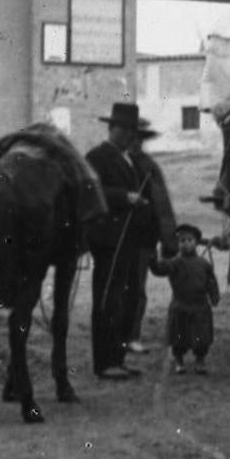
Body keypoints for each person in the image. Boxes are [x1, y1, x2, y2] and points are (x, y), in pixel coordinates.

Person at [85, 102, 152, 380]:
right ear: (111, 128)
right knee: (107, 299)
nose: (127, 136)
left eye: (131, 131)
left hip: (128, 240)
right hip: (108, 239)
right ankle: (104, 362)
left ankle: (118, 358)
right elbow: (91, 189)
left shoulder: (127, 160)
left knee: (125, 300)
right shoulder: (97, 157)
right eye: (122, 129)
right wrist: (124, 198)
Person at [126, 119, 177, 354]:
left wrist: (168, 241)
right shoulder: (116, 163)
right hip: (116, 238)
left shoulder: (149, 167)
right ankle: (114, 335)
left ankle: (132, 336)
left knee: (137, 289)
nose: (135, 142)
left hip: (143, 238)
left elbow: (162, 204)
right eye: (131, 137)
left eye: (139, 138)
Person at [150, 223, 220, 375]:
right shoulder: (174, 263)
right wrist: (153, 258)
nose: (186, 244)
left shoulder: (204, 264)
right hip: (180, 305)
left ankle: (200, 360)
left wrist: (214, 296)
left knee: (202, 338)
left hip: (200, 306)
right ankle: (179, 360)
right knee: (178, 337)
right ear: (178, 244)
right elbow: (159, 269)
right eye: (182, 241)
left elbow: (211, 282)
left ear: (195, 242)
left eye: (189, 240)